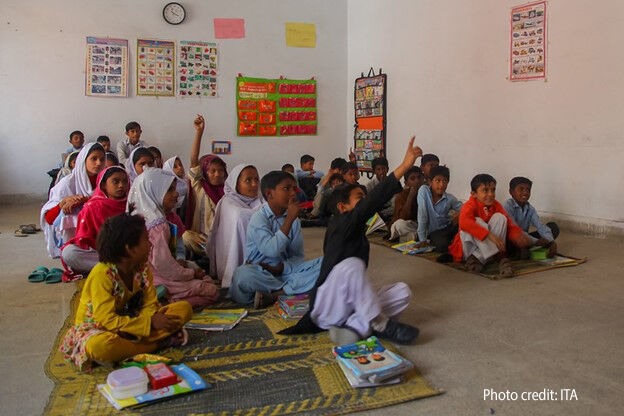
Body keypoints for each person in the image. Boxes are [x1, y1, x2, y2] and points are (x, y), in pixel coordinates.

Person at [279, 137, 423, 346]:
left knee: (402, 291)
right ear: (342, 207)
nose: (364, 203)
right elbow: (373, 202)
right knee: (351, 265)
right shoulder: (341, 224)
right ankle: (376, 322)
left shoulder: (353, 227)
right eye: (359, 198)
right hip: (327, 306)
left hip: (348, 307)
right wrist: (404, 166)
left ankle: (355, 326)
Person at [59, 214, 192, 370]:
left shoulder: (142, 269)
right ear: (130, 249)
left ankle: (131, 348)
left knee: (183, 309)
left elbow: (150, 304)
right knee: (100, 347)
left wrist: (150, 320)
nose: (150, 244)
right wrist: (149, 324)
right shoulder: (102, 274)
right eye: (146, 240)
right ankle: (153, 345)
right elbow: (107, 320)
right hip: (100, 329)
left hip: (135, 321)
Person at [128, 168, 218, 308]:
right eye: (169, 190)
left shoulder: (136, 217)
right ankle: (166, 302)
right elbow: (164, 265)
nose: (176, 194)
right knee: (210, 290)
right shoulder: (158, 225)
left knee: (203, 278)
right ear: (154, 192)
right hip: (157, 278)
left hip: (139, 279)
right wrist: (190, 274)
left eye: (174, 189)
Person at [229, 171, 322, 307]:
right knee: (242, 275)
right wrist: (289, 219)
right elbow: (271, 251)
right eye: (286, 189)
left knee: (326, 263)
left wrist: (282, 268)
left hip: (284, 273)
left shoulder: (293, 221)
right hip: (261, 275)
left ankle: (276, 295)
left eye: (294, 189)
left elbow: (297, 256)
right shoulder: (258, 218)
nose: (293, 193)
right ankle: (291, 289)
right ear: (269, 194)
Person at [448, 174, 531, 277]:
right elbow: (464, 222)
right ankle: (500, 259)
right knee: (477, 221)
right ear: (474, 194)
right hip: (468, 251)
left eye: (493, 190)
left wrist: (518, 236)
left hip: (481, 253)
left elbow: (509, 224)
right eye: (485, 190)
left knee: (501, 218)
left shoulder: (496, 205)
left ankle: (478, 259)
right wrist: (490, 235)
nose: (491, 194)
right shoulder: (469, 205)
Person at [61, 166, 129, 277]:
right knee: (69, 253)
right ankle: (117, 267)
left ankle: (112, 268)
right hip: (103, 253)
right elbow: (85, 239)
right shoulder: (93, 206)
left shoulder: (132, 203)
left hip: (129, 251)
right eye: (115, 182)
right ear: (103, 186)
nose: (121, 185)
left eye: (125, 181)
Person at [41, 143, 106, 258]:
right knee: (70, 254)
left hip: (103, 236)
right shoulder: (68, 183)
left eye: (102, 159)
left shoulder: (106, 181)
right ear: (83, 160)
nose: (99, 163)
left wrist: (87, 200)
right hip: (77, 239)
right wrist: (62, 204)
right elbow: (49, 219)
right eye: (94, 159)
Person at [209, 164, 264, 288]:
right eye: (248, 181)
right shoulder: (228, 202)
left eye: (256, 180)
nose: (254, 185)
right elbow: (243, 217)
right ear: (236, 184)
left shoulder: (260, 200)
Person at [187, 114, 227, 234]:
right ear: (204, 172)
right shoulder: (199, 187)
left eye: (221, 171)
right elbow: (194, 161)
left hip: (220, 240)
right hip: (200, 239)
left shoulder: (228, 191)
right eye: (212, 171)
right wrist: (199, 132)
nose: (217, 174)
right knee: (187, 237)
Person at [503, 177, 559, 257]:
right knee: (510, 243)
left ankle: (524, 250)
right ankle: (519, 252)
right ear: (511, 192)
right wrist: (536, 241)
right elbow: (514, 230)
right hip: (512, 240)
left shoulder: (530, 208)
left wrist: (551, 241)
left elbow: (540, 226)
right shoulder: (507, 206)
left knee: (553, 227)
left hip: (526, 240)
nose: (525, 192)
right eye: (521, 189)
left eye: (528, 190)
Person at [416, 165, 463, 254]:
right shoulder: (424, 191)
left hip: (446, 229)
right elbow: (422, 215)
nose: (441, 185)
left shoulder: (450, 198)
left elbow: (465, 208)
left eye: (445, 181)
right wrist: (422, 239)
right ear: (430, 181)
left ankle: (455, 241)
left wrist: (459, 215)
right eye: (437, 181)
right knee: (441, 245)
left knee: (462, 225)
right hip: (431, 232)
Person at [389, 166, 425, 242]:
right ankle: (418, 236)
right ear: (406, 183)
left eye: (419, 177)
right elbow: (403, 217)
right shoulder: (401, 195)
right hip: (410, 224)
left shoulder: (428, 192)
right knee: (399, 225)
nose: (417, 181)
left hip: (423, 224)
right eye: (412, 179)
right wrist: (411, 196)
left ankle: (410, 237)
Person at [366, 157, 394, 223]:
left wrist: (383, 213)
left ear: (387, 169)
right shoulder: (369, 186)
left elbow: (395, 205)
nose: (381, 172)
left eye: (383, 168)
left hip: (390, 214)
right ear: (374, 171)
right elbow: (368, 206)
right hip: (375, 216)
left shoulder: (393, 184)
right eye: (378, 169)